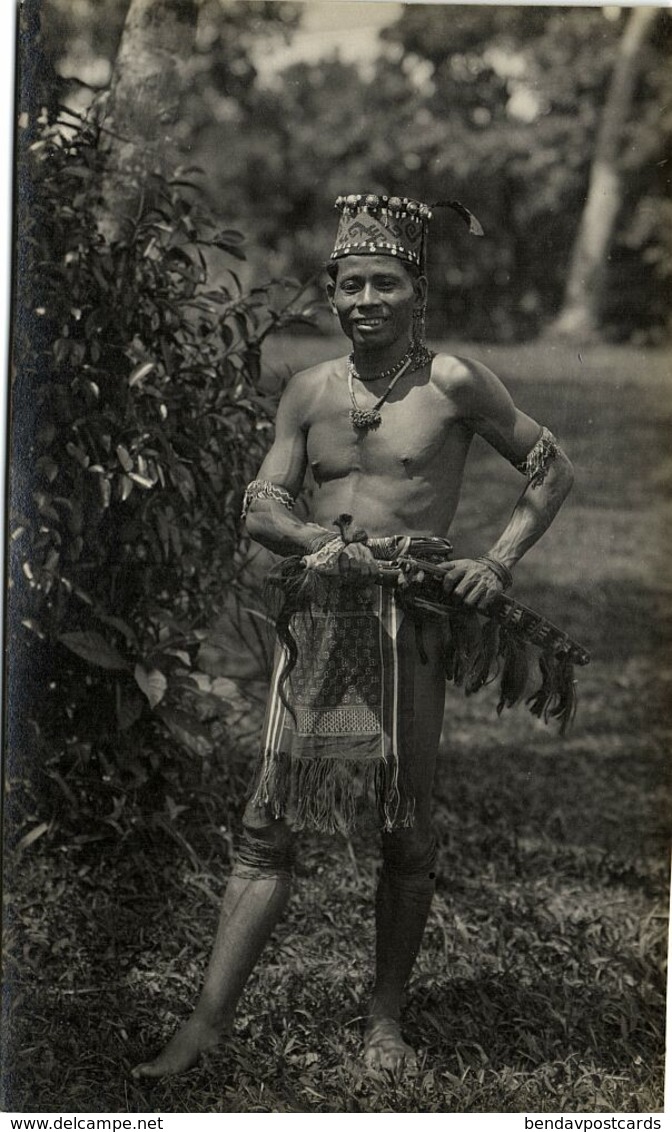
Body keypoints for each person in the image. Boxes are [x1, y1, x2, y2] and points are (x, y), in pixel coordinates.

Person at [132, 192, 574, 1079]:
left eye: (385, 283)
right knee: (267, 825)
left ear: (418, 291)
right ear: (331, 293)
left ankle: (384, 1025)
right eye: (349, 285)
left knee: (405, 830)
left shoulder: (453, 382)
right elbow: (264, 500)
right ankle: (205, 1026)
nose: (365, 299)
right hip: (322, 621)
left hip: (408, 625)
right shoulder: (309, 390)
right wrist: (315, 541)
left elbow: (551, 466)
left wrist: (497, 562)